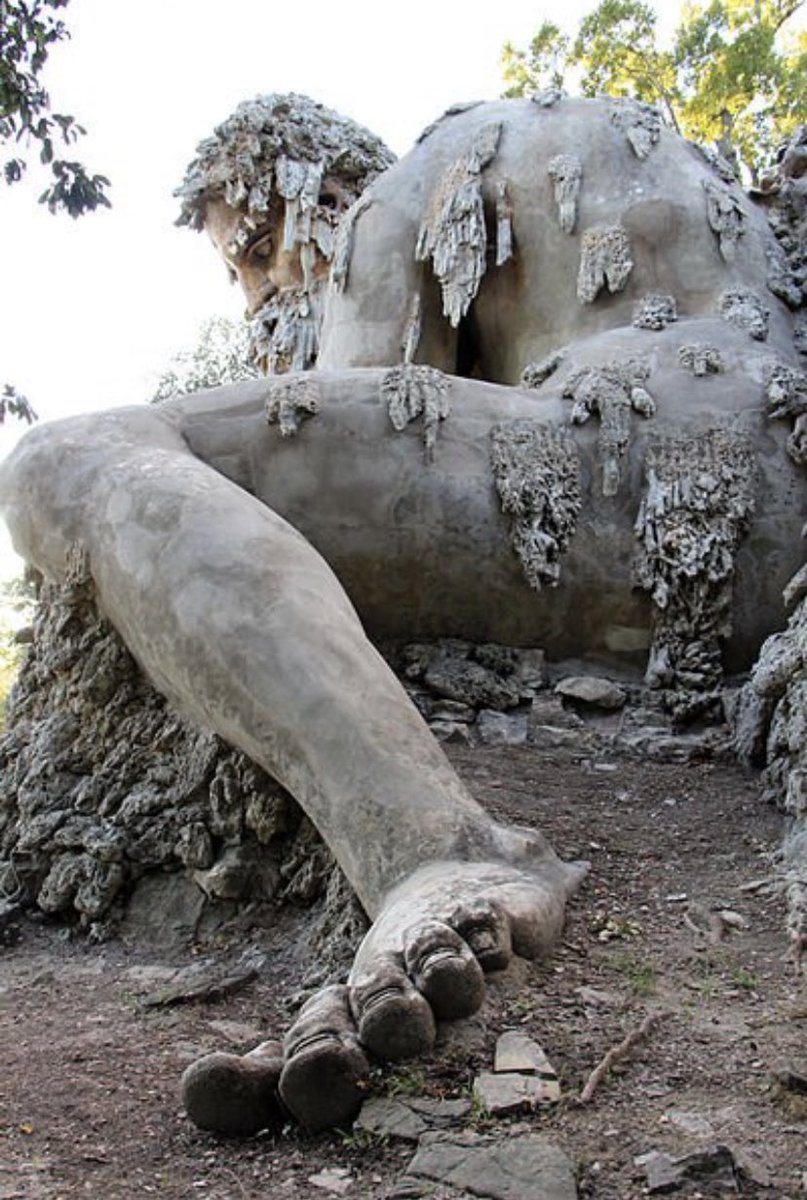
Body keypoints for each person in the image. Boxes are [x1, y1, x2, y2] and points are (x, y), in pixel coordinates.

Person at [2, 92, 804, 1133]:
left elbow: (368, 386)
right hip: (764, 478)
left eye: (249, 258)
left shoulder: (419, 180)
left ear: (306, 193)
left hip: (626, 463)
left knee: (70, 460)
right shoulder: (668, 168)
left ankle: (438, 846)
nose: (256, 293)